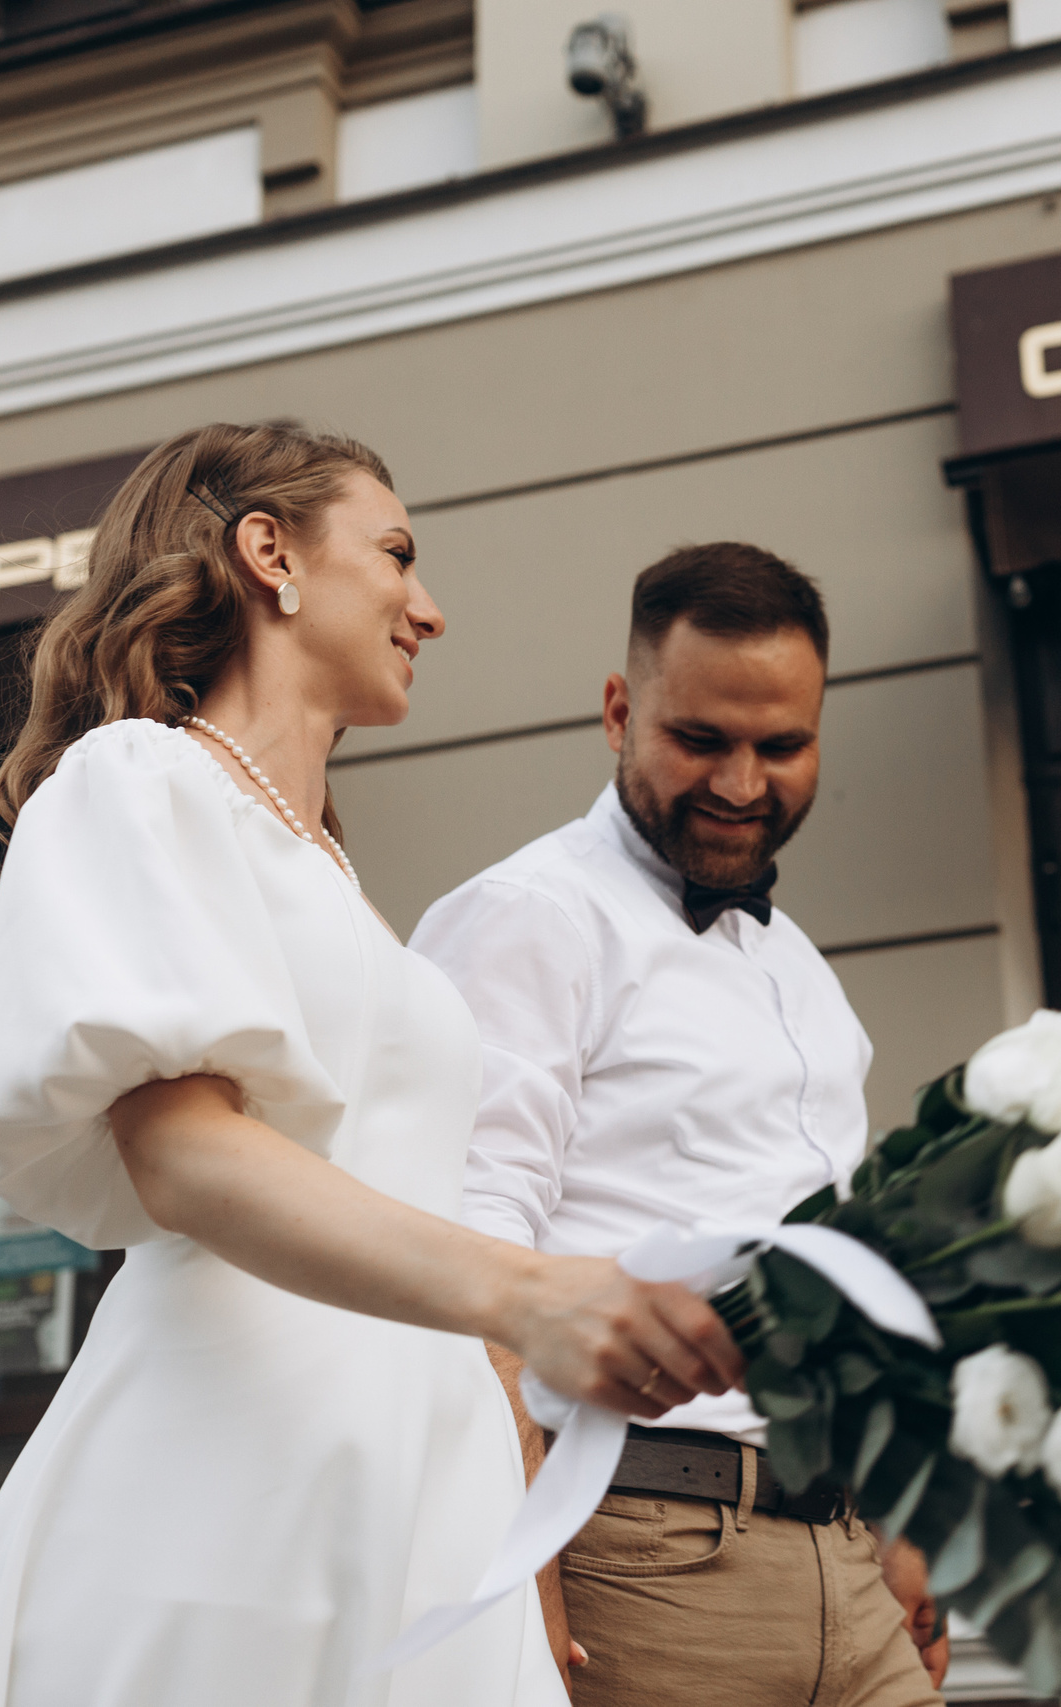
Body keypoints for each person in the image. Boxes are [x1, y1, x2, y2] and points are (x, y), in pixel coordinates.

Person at [0, 423, 744, 1707]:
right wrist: (531, 1294)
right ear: (270, 554)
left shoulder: (338, 886)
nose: (430, 608)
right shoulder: (140, 780)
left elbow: (412, 1195)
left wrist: (513, 1468)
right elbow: (183, 1152)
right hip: (232, 1473)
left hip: (433, 1490)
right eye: (397, 553)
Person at [412, 543, 949, 1707]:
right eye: (700, 741)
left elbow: (835, 1278)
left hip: (849, 1563)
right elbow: (460, 1249)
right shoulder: (527, 920)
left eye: (781, 747)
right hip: (632, 1555)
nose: (743, 785)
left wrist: (901, 1527)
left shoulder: (802, 970)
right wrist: (516, 1565)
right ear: (618, 711)